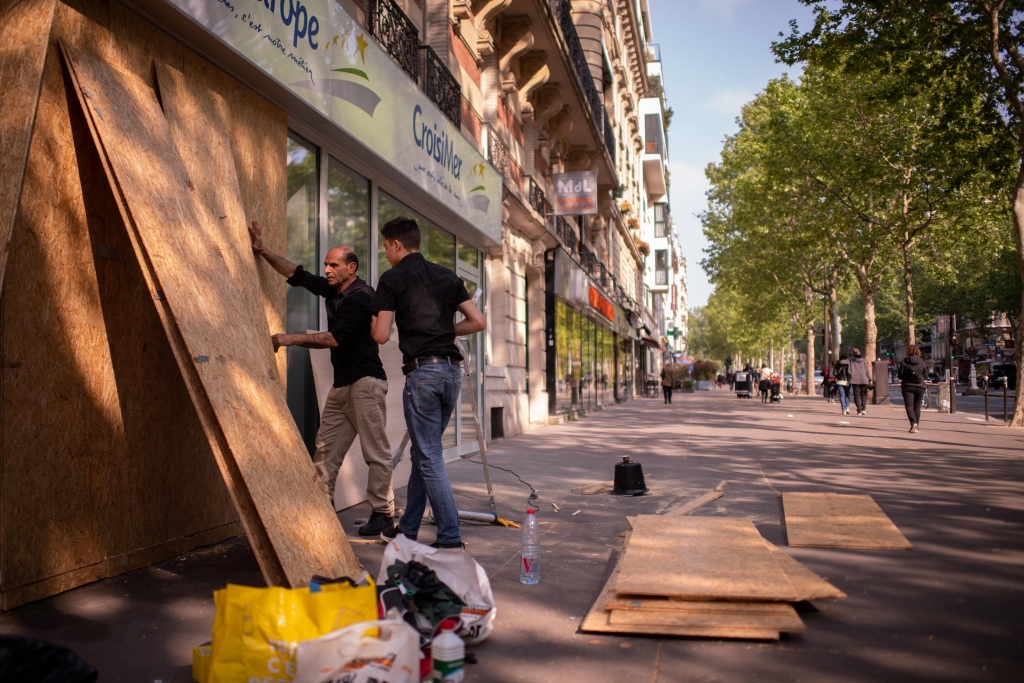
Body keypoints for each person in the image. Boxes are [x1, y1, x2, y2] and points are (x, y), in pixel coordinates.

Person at [249, 221, 395, 536]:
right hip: (342, 386)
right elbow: (298, 275)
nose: (327, 269)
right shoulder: (334, 289)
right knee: (325, 450)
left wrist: (292, 339)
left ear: (351, 268)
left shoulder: (361, 296)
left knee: (375, 452)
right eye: (326, 265)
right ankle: (321, 512)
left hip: (366, 383)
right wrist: (262, 251)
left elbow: (335, 338)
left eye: (334, 265)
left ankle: (384, 514)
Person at [371, 217, 486, 548]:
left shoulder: (392, 278)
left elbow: (380, 335)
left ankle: (450, 536)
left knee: (429, 456)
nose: (386, 253)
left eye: (386, 247)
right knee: (425, 453)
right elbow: (478, 321)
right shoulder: (447, 276)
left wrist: (370, 325)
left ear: (396, 244)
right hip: (451, 373)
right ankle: (408, 530)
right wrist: (445, 330)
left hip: (422, 373)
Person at [898, 345, 927, 433]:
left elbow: (900, 376)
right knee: (917, 407)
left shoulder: (904, 362)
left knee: (909, 406)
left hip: (907, 386)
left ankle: (913, 423)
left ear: (908, 352)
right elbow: (925, 375)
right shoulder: (922, 362)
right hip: (920, 387)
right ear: (918, 352)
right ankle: (917, 426)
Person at [849, 347, 871, 416]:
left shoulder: (850, 360)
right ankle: (863, 409)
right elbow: (867, 370)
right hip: (864, 379)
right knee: (863, 394)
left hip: (854, 379)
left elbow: (848, 369)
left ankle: (859, 410)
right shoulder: (864, 360)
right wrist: (870, 379)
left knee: (856, 395)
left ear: (853, 354)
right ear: (859, 353)